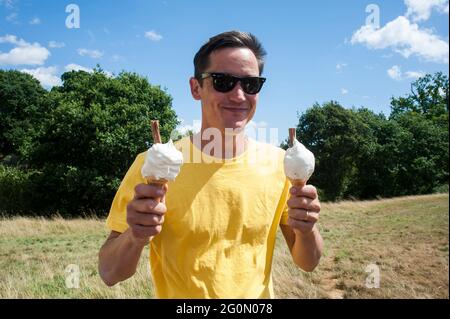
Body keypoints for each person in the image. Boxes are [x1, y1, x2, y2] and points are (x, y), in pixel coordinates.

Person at [98, 30, 323, 298]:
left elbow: (307, 263)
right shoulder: (152, 165)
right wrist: (135, 236)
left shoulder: (280, 164)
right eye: (223, 81)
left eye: (251, 84)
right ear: (196, 88)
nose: (239, 95)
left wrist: (307, 230)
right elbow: (110, 273)